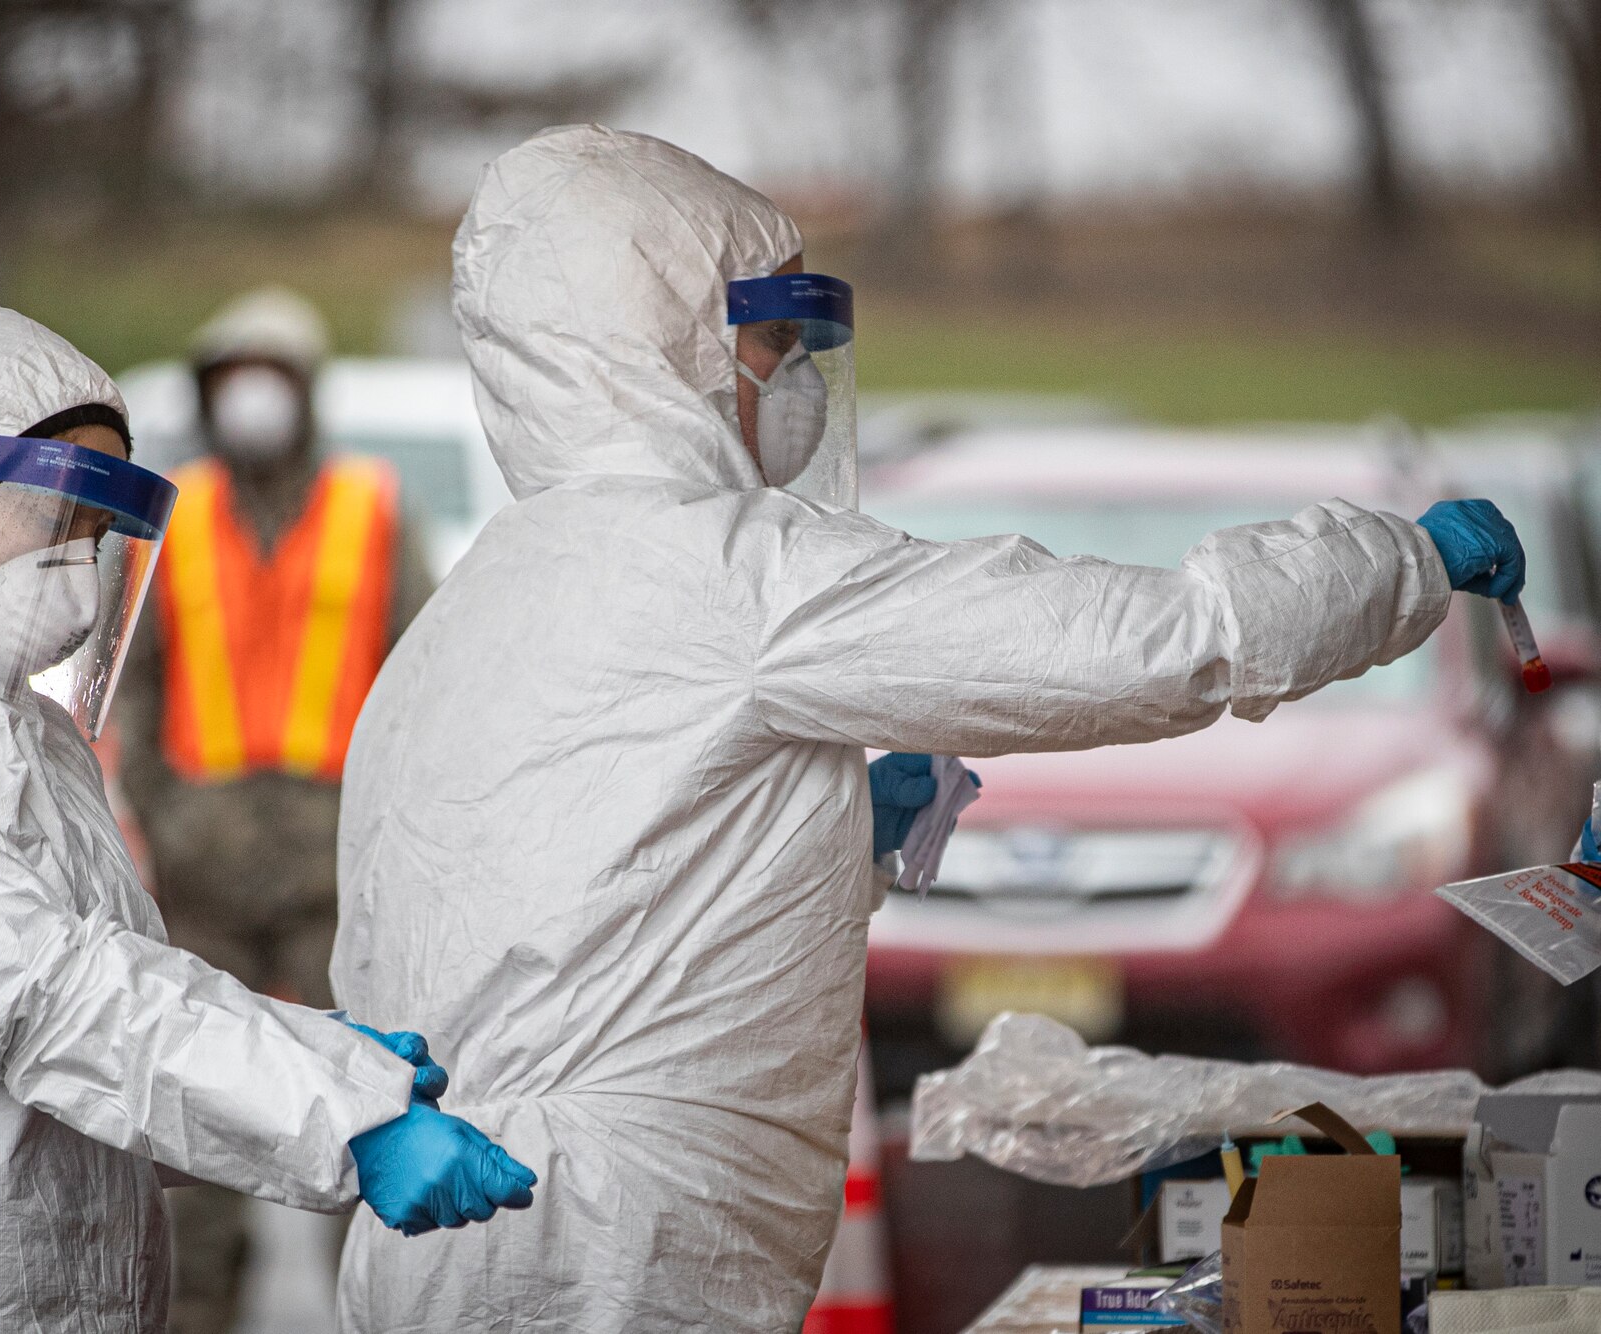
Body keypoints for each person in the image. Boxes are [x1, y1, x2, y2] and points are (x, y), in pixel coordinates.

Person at [328, 124, 1526, 1332]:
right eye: (766, 342)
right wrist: (1404, 560)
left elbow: (602, 920)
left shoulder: (460, 616)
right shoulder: (729, 571)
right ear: (656, 341)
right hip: (608, 1249)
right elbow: (1154, 640)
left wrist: (836, 844)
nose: (788, 381)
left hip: (450, 1239)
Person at [0, 263, 533, 1334]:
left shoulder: (30, 741)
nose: (76, 560)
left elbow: (99, 1066)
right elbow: (39, 995)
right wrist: (336, 1103)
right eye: (51, 513)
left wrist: (310, 1056)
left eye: (95, 524)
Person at [108, 288, 437, 1333]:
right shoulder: (177, 514)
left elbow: (420, 673)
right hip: (203, 875)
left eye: (271, 375)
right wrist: (166, 813)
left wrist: (387, 829)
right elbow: (137, 679)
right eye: (230, 377)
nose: (250, 398)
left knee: (371, 1109)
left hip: (333, 871)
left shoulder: (371, 506)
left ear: (304, 390)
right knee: (199, 1136)